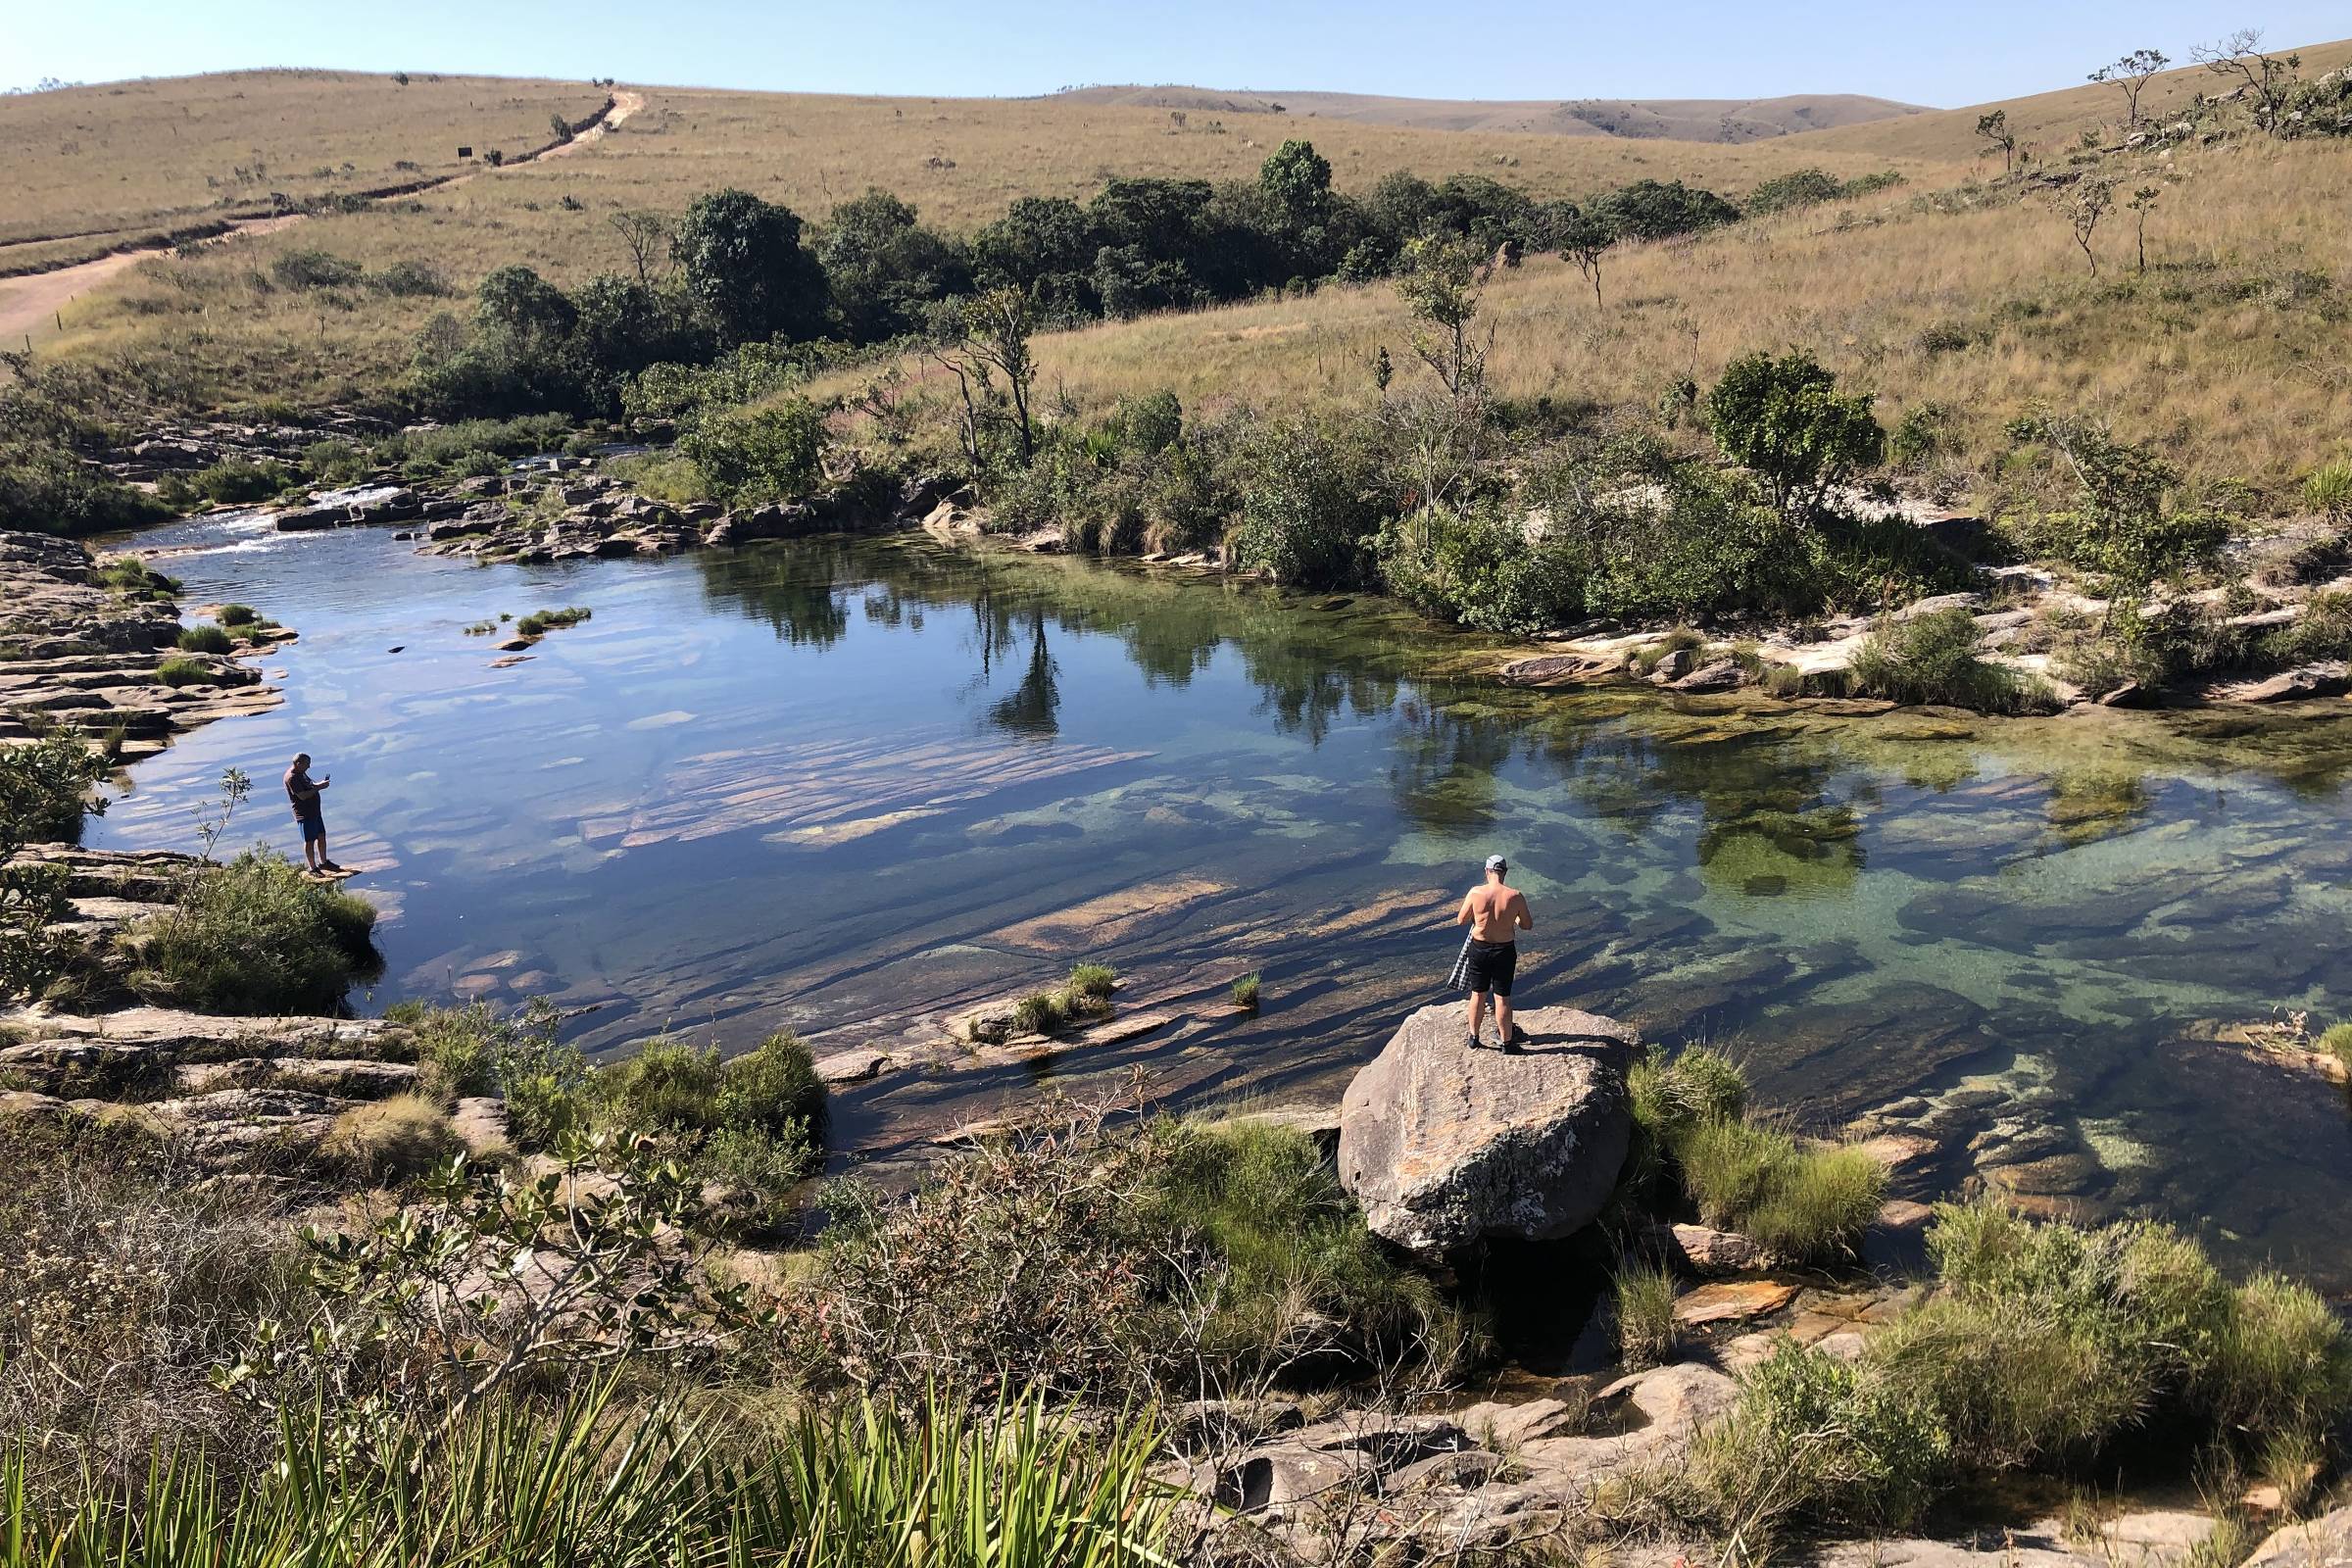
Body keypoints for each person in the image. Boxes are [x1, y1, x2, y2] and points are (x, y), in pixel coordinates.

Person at [1454, 854, 1533, 1052]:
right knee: (1502, 997)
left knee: (1478, 995)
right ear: (1504, 872)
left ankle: (1474, 1037)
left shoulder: (1476, 893)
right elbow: (1527, 925)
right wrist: (1512, 918)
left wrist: (1480, 916)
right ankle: (1507, 1043)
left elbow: (1461, 920)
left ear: (1487, 871)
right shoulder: (1515, 896)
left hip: (1479, 948)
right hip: (1504, 951)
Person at [284, 752, 342, 875]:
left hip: (315, 811)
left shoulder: (301, 773)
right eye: (307, 764)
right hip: (304, 814)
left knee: (321, 836)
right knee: (309, 841)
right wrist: (319, 788)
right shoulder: (292, 777)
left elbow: (310, 786)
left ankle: (324, 862)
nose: (309, 767)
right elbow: (302, 796)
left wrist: (320, 784)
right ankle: (313, 868)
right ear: (298, 764)